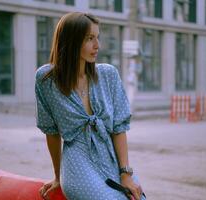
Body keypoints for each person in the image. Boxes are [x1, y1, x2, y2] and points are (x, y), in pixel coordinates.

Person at [35, 12, 146, 200]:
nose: (97, 45)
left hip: (111, 160)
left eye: (98, 37)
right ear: (71, 41)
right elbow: (51, 132)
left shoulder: (108, 75)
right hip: (77, 164)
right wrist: (57, 176)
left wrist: (125, 173)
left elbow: (119, 128)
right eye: (90, 38)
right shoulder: (46, 80)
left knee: (137, 198)